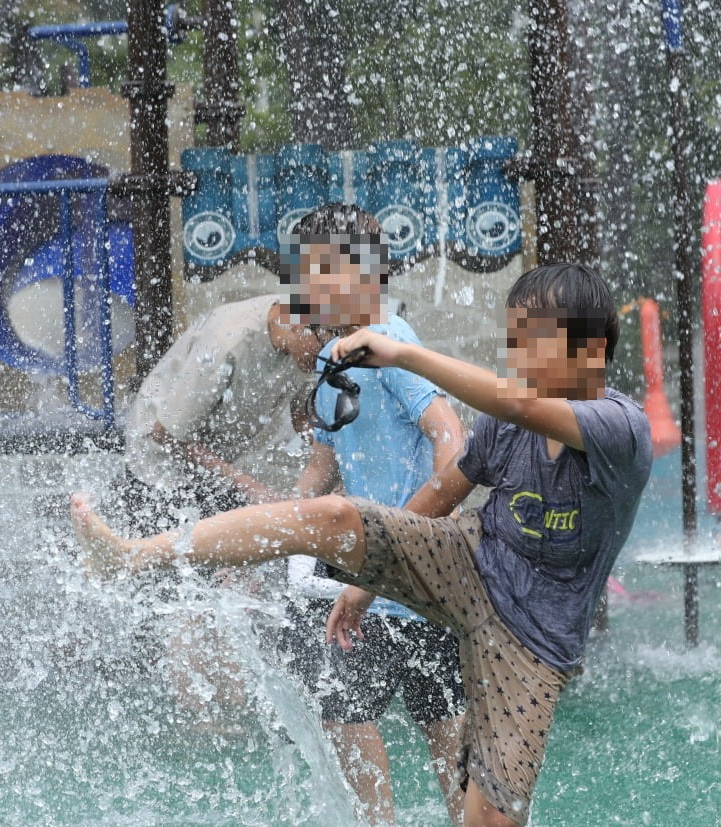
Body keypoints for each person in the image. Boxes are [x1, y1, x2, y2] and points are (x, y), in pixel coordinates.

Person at [72, 261, 653, 827]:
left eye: (536, 341)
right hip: (472, 562)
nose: (519, 354)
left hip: (531, 641)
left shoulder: (619, 428)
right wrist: (366, 580)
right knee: (334, 515)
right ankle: (132, 555)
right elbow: (443, 493)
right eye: (515, 339)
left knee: (490, 819)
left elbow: (511, 402)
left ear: (593, 349)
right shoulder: (507, 426)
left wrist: (402, 353)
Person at [276, 205, 466, 825]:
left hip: (406, 574)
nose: (303, 295)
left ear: (353, 274)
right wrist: (280, 530)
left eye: (312, 278)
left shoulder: (394, 344)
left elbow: (452, 440)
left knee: (437, 728)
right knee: (347, 714)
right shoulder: (338, 356)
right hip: (362, 579)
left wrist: (414, 534)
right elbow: (325, 460)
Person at [115, 292, 327, 725]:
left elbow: (303, 411)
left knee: (234, 582)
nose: (328, 353)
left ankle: (232, 701)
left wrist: (321, 461)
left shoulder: (307, 342)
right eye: (324, 343)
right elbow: (165, 433)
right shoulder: (227, 342)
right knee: (185, 594)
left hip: (220, 462)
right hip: (162, 468)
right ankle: (196, 718)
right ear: (293, 324)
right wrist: (251, 488)